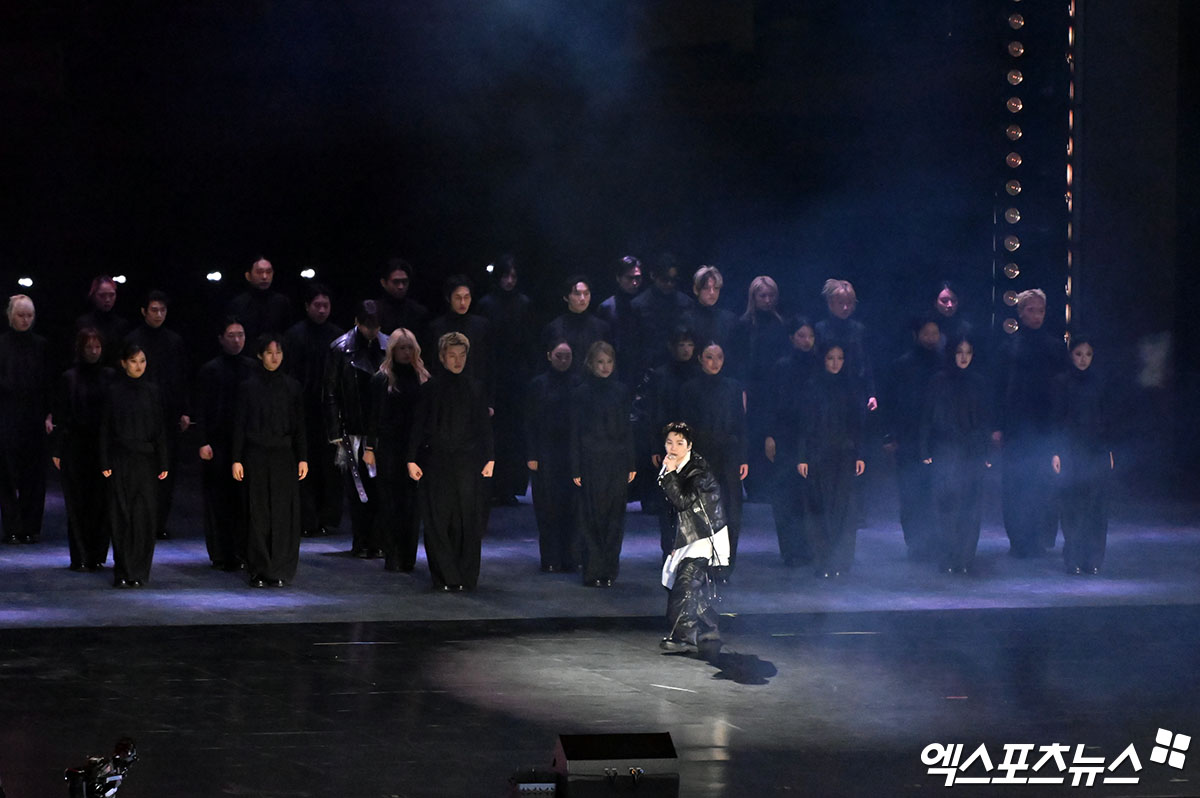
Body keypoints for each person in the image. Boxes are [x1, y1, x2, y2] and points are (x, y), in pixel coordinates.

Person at [406, 332, 494, 591]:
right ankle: (445, 576)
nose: (458, 360)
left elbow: (484, 426)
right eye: (452, 355)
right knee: (438, 519)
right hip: (436, 460)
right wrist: (411, 459)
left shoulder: (475, 388)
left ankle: (465, 576)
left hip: (468, 461)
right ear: (442, 357)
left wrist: (490, 457)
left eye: (462, 355)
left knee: (467, 518)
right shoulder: (430, 389)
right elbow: (418, 425)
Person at [232, 335, 308, 588]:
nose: (275, 357)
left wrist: (303, 457)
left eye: (278, 352)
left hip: (284, 456)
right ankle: (259, 568)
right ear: (259, 355)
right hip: (256, 455)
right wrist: (236, 459)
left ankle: (280, 568)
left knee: (282, 512)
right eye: (269, 353)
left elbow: (299, 426)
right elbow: (239, 425)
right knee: (258, 512)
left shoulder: (292, 387)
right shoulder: (248, 387)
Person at [994, 288, 1065, 557]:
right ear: (1020, 312)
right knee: (1015, 484)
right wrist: (997, 426)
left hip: (1046, 426)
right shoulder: (1008, 348)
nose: (1036, 315)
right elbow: (998, 389)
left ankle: (1040, 538)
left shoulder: (1055, 348)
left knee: (1044, 483)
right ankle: (1019, 540)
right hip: (1015, 426)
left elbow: (1063, 389)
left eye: (1041, 310)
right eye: (1031, 310)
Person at [919, 336, 992, 575]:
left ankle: (965, 557)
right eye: (959, 352)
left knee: (971, 504)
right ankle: (948, 556)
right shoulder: (938, 381)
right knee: (946, 503)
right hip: (946, 448)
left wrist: (987, 451)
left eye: (968, 352)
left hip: (972, 450)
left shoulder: (979, 382)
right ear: (951, 353)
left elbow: (984, 420)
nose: (963, 357)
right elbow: (927, 416)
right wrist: (925, 449)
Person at [99, 343, 168, 588]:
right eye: (133, 361)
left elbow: (160, 428)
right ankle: (123, 570)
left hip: (146, 461)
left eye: (142, 361)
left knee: (144, 516)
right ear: (123, 363)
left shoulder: (153, 391)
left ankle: (139, 571)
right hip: (121, 459)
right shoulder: (113, 391)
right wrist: (104, 460)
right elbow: (105, 429)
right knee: (121, 514)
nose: (138, 366)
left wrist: (163, 460)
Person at [325, 300, 389, 558]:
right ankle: (361, 540)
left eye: (375, 326)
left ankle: (379, 540)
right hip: (353, 428)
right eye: (367, 325)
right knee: (358, 488)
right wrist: (334, 431)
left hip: (381, 430)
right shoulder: (340, 349)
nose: (371, 330)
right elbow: (330, 392)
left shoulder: (389, 346)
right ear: (357, 322)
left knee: (381, 487)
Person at [124, 290, 190, 539]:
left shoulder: (174, 341)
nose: (159, 314)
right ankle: (139, 521)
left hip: (168, 413)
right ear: (143, 311)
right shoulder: (133, 339)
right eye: (154, 310)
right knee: (141, 469)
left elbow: (182, 376)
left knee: (166, 469)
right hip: (139, 414)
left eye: (163, 310)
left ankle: (159, 522)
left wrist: (184, 410)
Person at [569, 342, 636, 587]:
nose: (605, 367)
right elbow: (575, 432)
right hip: (591, 460)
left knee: (614, 516)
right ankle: (593, 569)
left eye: (609, 362)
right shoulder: (581, 393)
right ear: (590, 364)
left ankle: (608, 569)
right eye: (600, 362)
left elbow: (627, 428)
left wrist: (631, 462)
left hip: (616, 460)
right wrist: (576, 466)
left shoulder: (621, 391)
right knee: (592, 516)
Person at [657, 421, 727, 654]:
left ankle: (684, 637)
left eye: (679, 443)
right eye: (669, 442)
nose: (673, 448)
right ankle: (709, 624)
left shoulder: (697, 471)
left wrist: (669, 474)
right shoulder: (673, 467)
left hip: (704, 535)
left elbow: (683, 501)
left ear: (689, 446)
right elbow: (671, 511)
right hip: (687, 535)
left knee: (684, 584)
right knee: (678, 583)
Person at [679, 343, 747, 580]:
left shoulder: (733, 387)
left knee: (730, 511)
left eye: (719, 357)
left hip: (728, 456)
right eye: (709, 357)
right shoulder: (689, 389)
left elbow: (740, 423)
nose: (715, 362)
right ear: (700, 358)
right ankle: (703, 564)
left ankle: (724, 565)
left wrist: (743, 457)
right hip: (701, 456)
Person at [797, 344, 866, 578]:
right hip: (818, 453)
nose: (836, 363)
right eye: (830, 358)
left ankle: (841, 561)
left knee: (844, 508)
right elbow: (805, 423)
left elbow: (858, 424)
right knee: (820, 507)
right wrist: (802, 456)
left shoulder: (851, 386)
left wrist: (860, 454)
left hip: (845, 454)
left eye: (840, 358)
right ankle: (823, 560)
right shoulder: (812, 386)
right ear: (823, 360)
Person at [364, 328, 429, 573]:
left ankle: (408, 557)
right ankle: (392, 555)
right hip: (389, 448)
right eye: (401, 347)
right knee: (390, 503)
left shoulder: (423, 378)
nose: (406, 352)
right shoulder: (381, 379)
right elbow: (373, 416)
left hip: (415, 448)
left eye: (409, 347)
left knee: (412, 504)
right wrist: (370, 447)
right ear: (392, 350)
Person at [51, 329, 115, 571]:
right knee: (77, 503)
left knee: (101, 503)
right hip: (75, 447)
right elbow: (62, 416)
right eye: (89, 347)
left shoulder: (110, 376)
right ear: (80, 349)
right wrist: (57, 449)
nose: (94, 351)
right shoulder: (69, 378)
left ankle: (97, 555)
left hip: (103, 448)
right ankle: (79, 557)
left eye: (97, 347)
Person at [283, 282, 343, 537]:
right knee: (305, 463)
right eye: (317, 305)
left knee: (330, 466)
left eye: (325, 305)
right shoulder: (294, 335)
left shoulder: (338, 336)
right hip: (304, 409)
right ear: (307, 306)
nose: (321, 310)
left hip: (330, 412)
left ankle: (328, 517)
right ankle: (306, 518)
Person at [195, 318, 255, 571]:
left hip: (245, 443)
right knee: (218, 499)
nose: (237, 340)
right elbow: (201, 408)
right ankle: (220, 553)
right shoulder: (210, 370)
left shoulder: (252, 367)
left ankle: (242, 550)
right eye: (231, 335)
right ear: (221, 339)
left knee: (242, 498)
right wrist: (203, 441)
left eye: (241, 334)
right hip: (218, 443)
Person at [1051, 335, 1113, 575]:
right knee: (1072, 506)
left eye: (1088, 354)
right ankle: (1074, 557)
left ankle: (1093, 558)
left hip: (1096, 449)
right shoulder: (1061, 382)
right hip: (1070, 450)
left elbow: (1106, 418)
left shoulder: (1100, 382)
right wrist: (1055, 451)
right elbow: (1056, 419)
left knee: (1096, 506)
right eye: (1078, 354)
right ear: (1071, 355)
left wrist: (1109, 449)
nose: (1083, 359)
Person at [882, 316, 943, 560]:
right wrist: (890, 435)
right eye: (926, 333)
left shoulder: (944, 363)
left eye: (935, 333)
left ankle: (935, 541)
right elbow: (891, 402)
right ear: (917, 335)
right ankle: (916, 543)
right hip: (908, 436)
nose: (931, 338)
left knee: (935, 490)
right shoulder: (903, 365)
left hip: (937, 437)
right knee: (911, 491)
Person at [476, 255, 534, 504]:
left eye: (513, 276)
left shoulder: (524, 303)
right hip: (493, 374)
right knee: (493, 432)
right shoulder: (486, 304)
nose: (509, 281)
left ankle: (509, 487)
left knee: (514, 432)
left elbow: (529, 341)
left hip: (517, 376)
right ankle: (491, 485)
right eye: (505, 276)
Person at [764, 316, 819, 566]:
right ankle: (790, 550)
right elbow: (771, 403)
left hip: (812, 438)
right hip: (786, 436)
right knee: (786, 495)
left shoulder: (819, 364)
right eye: (801, 336)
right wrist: (770, 435)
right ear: (791, 338)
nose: (806, 341)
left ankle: (810, 548)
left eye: (810, 336)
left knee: (810, 495)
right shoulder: (782, 366)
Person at [638, 326, 699, 545]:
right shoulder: (660, 375)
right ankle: (669, 548)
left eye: (690, 344)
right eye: (681, 345)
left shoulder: (699, 374)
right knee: (668, 499)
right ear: (672, 347)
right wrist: (656, 446)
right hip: (668, 445)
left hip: (694, 445)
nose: (686, 349)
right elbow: (654, 413)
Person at [731, 275, 789, 498]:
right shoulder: (743, 325)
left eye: (771, 295)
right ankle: (753, 486)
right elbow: (738, 361)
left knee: (773, 432)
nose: (767, 300)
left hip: (775, 387)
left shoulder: (780, 325)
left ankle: (771, 486)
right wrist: (742, 389)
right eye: (762, 295)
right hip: (752, 388)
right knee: (752, 434)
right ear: (753, 297)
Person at [0, 295, 51, 545]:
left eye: (29, 315)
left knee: (34, 475)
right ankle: (11, 526)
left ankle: (31, 527)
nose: (25, 320)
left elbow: (48, 382)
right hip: (7, 416)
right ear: (10, 316)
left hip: (34, 417)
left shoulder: (41, 345)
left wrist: (49, 413)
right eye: (20, 315)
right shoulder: (2, 344)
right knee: (7, 475)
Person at [525, 340, 579, 573]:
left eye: (567, 356)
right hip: (546, 452)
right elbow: (530, 421)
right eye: (559, 356)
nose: (563, 360)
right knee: (547, 506)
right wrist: (532, 453)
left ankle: (570, 556)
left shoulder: (577, 383)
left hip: (571, 452)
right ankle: (550, 557)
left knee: (571, 505)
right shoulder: (538, 384)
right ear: (549, 356)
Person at [425, 275, 494, 405]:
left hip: (474, 394)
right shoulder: (436, 328)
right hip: (444, 395)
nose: (463, 303)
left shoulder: (482, 326)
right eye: (458, 297)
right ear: (448, 298)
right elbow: (432, 364)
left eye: (466, 297)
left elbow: (488, 364)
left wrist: (489, 400)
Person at [814, 278, 877, 412]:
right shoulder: (820, 330)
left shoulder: (859, 330)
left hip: (854, 393)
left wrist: (871, 393)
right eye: (841, 303)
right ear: (831, 304)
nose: (845, 308)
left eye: (849, 303)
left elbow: (866, 362)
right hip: (828, 393)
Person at [631, 254, 693, 374]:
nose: (669, 284)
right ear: (653, 276)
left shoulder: (686, 303)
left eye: (673, 280)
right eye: (665, 279)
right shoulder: (638, 305)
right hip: (649, 368)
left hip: (681, 368)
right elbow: (634, 345)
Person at [542, 275, 611, 378]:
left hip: (593, 383)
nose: (583, 298)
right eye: (577, 294)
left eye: (586, 293)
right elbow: (545, 364)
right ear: (566, 297)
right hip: (563, 382)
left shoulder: (602, 327)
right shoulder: (554, 328)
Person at [595, 255, 644, 380]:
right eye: (629, 278)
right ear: (618, 278)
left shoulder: (646, 306)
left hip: (642, 370)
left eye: (637, 278)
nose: (634, 282)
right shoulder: (606, 308)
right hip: (615, 371)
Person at [226, 257, 293, 344]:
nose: (264, 277)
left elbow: (287, 333)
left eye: (269, 272)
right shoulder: (238, 304)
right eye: (259, 272)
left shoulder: (282, 302)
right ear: (248, 276)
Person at [75, 276, 130, 367]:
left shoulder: (122, 325)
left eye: (111, 295)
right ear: (93, 296)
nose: (107, 299)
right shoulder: (83, 323)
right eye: (102, 295)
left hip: (115, 373)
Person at [682, 265, 737, 352]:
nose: (712, 292)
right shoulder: (686, 319)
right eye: (706, 288)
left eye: (716, 288)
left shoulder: (729, 319)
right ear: (696, 290)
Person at [376, 257, 430, 336]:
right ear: (383, 283)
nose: (401, 286)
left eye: (404, 281)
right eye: (396, 282)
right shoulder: (375, 312)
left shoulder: (419, 312)